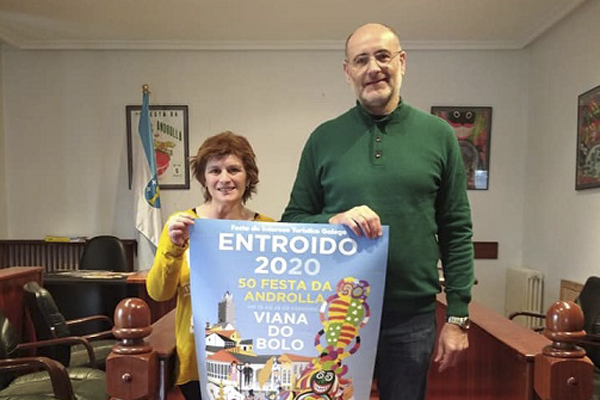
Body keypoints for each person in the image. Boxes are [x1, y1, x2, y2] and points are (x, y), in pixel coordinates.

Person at [281, 23, 474, 400]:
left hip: (411, 317)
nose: (373, 68)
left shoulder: (439, 135)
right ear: (347, 71)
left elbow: (456, 229)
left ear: (402, 62)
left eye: (383, 56)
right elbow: (294, 221)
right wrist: (333, 220)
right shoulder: (323, 139)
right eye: (361, 60)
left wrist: (458, 316)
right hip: (337, 314)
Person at [147, 131, 275, 400]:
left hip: (251, 358)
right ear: (204, 178)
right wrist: (173, 247)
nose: (224, 178)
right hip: (197, 360)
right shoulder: (181, 225)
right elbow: (158, 293)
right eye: (215, 170)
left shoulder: (269, 228)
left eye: (234, 169)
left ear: (248, 176)